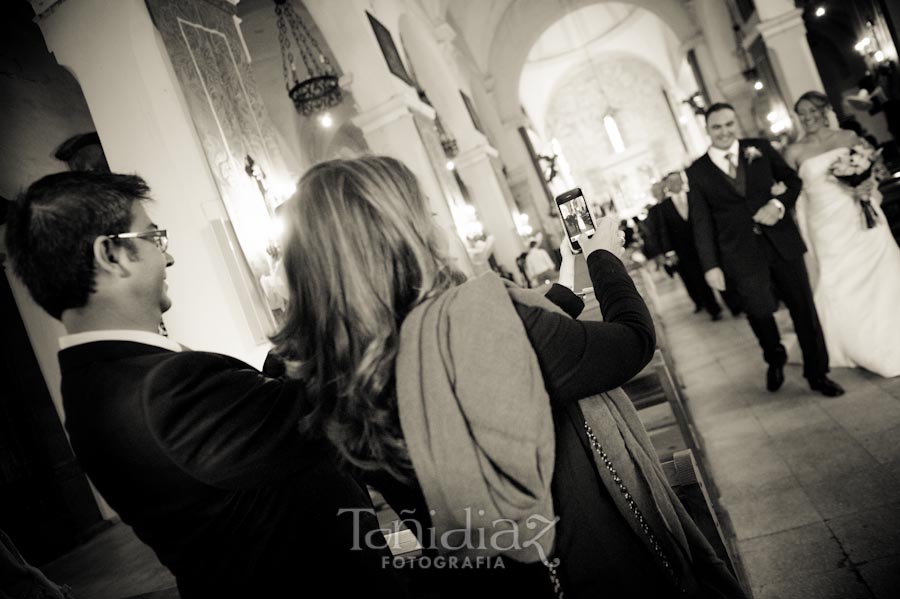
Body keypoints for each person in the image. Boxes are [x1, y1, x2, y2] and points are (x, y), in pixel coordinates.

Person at [272, 155, 748, 598]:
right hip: (587, 560)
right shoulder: (481, 321)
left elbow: (510, 364)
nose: (437, 226)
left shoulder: (324, 379)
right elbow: (632, 342)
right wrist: (604, 258)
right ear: (400, 235)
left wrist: (566, 277)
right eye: (426, 215)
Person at [4, 172, 406, 598]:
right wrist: (329, 275)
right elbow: (328, 407)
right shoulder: (158, 389)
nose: (169, 257)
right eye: (153, 237)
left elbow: (267, 413)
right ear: (112, 254)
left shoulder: (99, 379)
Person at [686, 103, 844, 397]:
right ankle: (775, 357)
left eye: (729, 124)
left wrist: (778, 204)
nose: (724, 132)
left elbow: (793, 181)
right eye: (717, 127)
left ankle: (818, 374)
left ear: (737, 123)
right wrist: (711, 266)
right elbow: (701, 221)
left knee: (803, 310)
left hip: (782, 243)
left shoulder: (759, 148)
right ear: (707, 130)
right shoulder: (697, 171)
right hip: (740, 254)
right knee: (758, 312)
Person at [784, 91, 900, 377]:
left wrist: (867, 184)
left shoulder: (847, 138)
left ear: (825, 111)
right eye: (802, 113)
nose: (808, 117)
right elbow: (790, 191)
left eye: (813, 111)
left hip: (859, 214)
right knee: (839, 279)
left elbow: (875, 170)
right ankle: (853, 339)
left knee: (883, 269)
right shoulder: (794, 152)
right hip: (825, 225)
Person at [658, 171, 725, 320]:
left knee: (719, 271)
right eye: (672, 182)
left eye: (678, 181)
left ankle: (734, 304)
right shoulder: (664, 206)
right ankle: (713, 309)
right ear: (667, 186)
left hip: (706, 244)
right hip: (684, 250)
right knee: (698, 280)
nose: (676, 184)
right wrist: (670, 252)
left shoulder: (695, 195)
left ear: (683, 181)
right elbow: (664, 230)